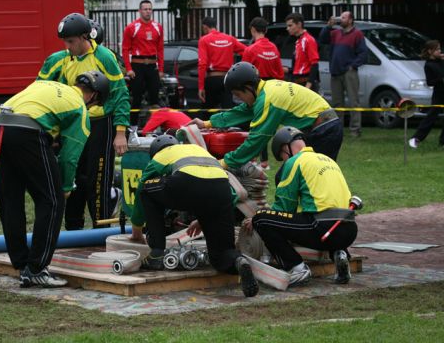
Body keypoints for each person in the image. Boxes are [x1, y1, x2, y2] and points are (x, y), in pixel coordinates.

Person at [0, 71, 110, 288]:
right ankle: (36, 269)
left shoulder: (48, 86)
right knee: (52, 201)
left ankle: (21, 264)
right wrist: (65, 187)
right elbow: (69, 156)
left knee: (10, 200)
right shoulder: (79, 108)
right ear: (93, 96)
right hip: (27, 133)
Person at [129, 135, 259, 297]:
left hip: (187, 183)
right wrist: (205, 218)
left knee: (148, 190)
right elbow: (229, 195)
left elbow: (141, 188)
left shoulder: (161, 155)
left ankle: (156, 254)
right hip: (222, 189)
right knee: (221, 254)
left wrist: (137, 229)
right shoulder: (199, 150)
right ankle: (237, 261)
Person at [37, 12, 130, 230]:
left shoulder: (104, 57)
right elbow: (41, 90)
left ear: (84, 37)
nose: (67, 47)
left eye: (71, 42)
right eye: (65, 42)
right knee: (72, 175)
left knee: (98, 180)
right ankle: (73, 230)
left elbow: (120, 94)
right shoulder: (59, 59)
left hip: (101, 125)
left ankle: (101, 229)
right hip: (74, 124)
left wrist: (120, 132)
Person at [189, 62, 343, 178]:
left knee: (313, 178)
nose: (239, 99)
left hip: (324, 130)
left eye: (239, 95)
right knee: (297, 176)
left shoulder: (268, 100)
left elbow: (256, 140)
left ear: (248, 88)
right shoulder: (265, 89)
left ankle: (333, 209)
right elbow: (242, 111)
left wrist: (225, 162)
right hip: (323, 127)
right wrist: (207, 123)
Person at [248, 126, 358, 286]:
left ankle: (297, 268)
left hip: (322, 228)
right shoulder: (327, 160)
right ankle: (339, 254)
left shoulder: (295, 162)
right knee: (322, 217)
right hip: (348, 230)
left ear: (285, 148)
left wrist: (261, 216)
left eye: (282, 157)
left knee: (261, 219)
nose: (284, 161)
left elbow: (284, 206)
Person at [242, 16, 284, 169]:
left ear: (253, 30)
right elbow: (280, 73)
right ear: (265, 30)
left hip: (257, 89)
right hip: (274, 88)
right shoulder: (274, 48)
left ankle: (257, 160)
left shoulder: (250, 49)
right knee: (267, 123)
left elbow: (243, 72)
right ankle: (263, 161)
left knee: (256, 124)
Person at [319, 12, 368, 138]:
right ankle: (337, 129)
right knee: (337, 103)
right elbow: (322, 39)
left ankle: (355, 130)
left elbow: (363, 53)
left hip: (349, 72)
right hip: (335, 72)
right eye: (340, 17)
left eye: (344, 17)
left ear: (350, 20)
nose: (340, 19)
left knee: (353, 102)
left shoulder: (357, 34)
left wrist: (353, 65)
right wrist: (328, 26)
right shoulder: (335, 33)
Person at [122, 0, 165, 124]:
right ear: (140, 11)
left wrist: (161, 69)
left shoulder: (158, 27)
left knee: (155, 98)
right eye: (145, 9)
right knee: (136, 98)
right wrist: (129, 69)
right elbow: (125, 49)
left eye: (150, 9)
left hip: (152, 65)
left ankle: (154, 126)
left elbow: (160, 49)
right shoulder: (131, 27)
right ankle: (133, 128)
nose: (148, 11)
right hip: (137, 66)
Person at [197, 16, 247, 109]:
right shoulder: (229, 39)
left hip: (212, 80)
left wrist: (201, 87)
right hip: (227, 79)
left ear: (205, 27)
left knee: (208, 112)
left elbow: (202, 64)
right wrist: (240, 68)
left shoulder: (204, 40)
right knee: (227, 111)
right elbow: (247, 51)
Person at [409, 40, 444, 148]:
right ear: (430, 51)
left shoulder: (441, 61)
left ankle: (443, 142)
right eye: (437, 49)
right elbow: (430, 82)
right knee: (431, 116)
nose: (440, 51)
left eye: (440, 49)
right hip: (439, 94)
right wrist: (441, 80)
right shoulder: (429, 65)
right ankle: (416, 138)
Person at [284, 13, 320, 92]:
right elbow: (299, 66)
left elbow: (314, 64)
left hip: (305, 82)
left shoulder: (308, 40)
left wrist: (308, 86)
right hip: (297, 81)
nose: (287, 28)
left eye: (290, 25)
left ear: (299, 24)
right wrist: (287, 70)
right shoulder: (298, 41)